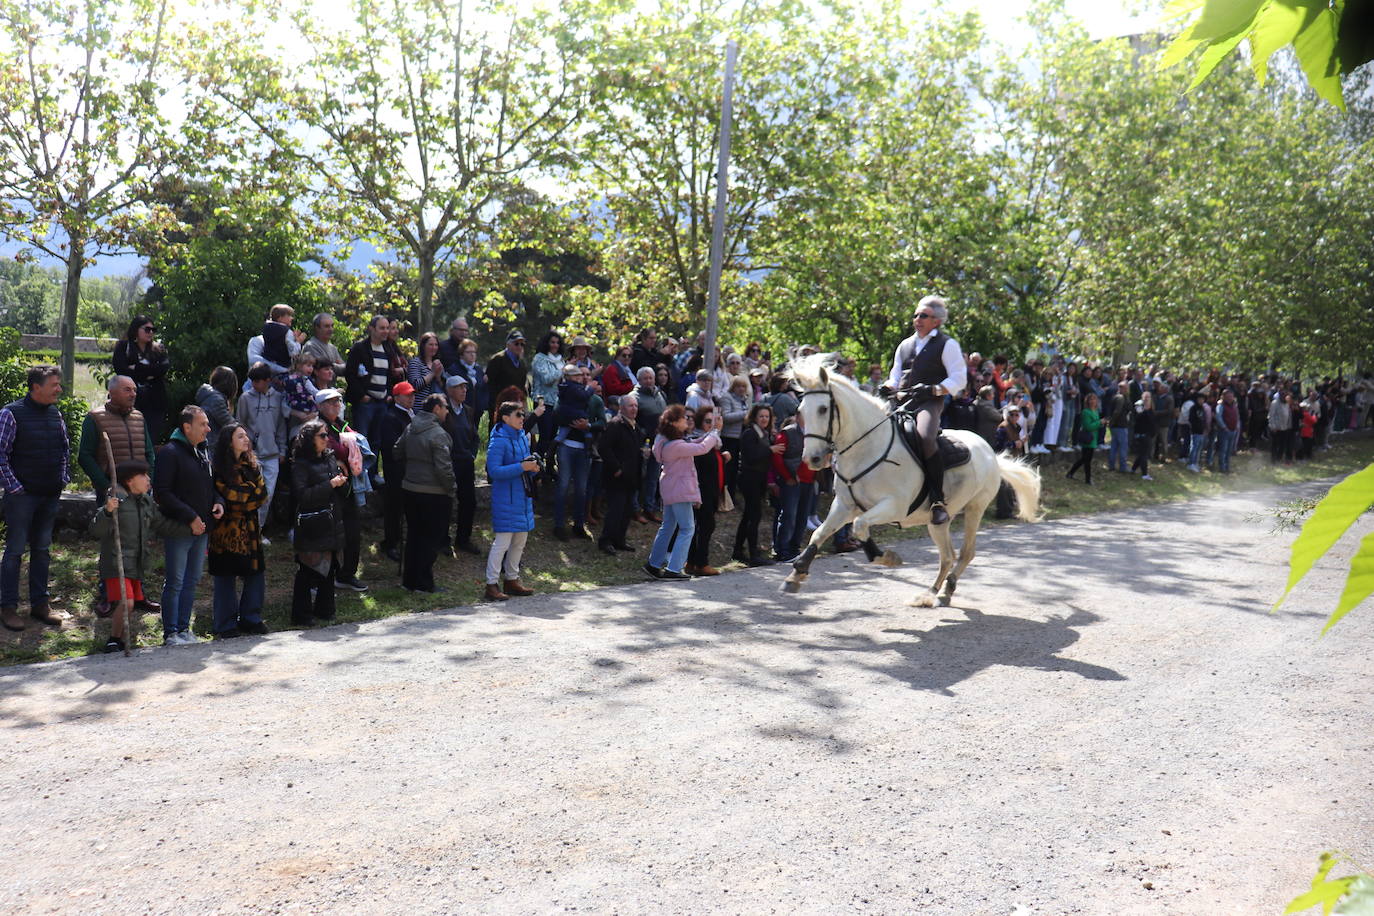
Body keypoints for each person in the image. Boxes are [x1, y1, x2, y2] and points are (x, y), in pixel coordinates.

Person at [879, 295, 967, 525]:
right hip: (901, 401)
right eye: (916, 315)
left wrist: (935, 390)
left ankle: (937, 501)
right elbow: (895, 375)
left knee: (926, 437)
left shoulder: (947, 344)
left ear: (936, 321)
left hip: (929, 402)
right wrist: (888, 387)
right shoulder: (905, 344)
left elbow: (959, 379)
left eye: (923, 316)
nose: (917, 319)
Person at [0, 366, 70, 632]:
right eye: (54, 384)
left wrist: (61, 479)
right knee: (15, 552)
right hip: (22, 498)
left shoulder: (55, 414)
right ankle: (8, 608)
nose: (59, 389)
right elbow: (0, 455)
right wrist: (16, 488)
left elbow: (64, 449)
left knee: (42, 551)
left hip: (49, 495)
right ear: (35, 387)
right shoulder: (11, 414)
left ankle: (40, 605)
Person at [92, 460, 186, 652]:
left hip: (136, 563)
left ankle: (116, 639)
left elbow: (161, 524)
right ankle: (113, 640)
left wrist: (190, 529)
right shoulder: (115, 500)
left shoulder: (146, 502)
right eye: (143, 475)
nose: (148, 479)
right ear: (129, 481)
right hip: (115, 562)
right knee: (126, 602)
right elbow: (95, 529)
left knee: (129, 604)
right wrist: (108, 512)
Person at [154, 405, 224, 645]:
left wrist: (218, 502)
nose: (209, 428)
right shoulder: (170, 453)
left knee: (192, 580)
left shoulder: (203, 451)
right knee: (175, 581)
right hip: (180, 529)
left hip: (202, 529)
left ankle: (184, 629)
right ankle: (171, 632)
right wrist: (191, 517)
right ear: (187, 427)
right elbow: (162, 493)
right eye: (203, 424)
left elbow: (212, 486)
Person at [644, 404, 721, 580]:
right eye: (682, 418)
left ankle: (653, 565)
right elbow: (700, 449)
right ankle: (674, 568)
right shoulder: (675, 445)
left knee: (668, 526)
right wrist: (715, 432)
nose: (686, 420)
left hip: (671, 489)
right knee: (687, 528)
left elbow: (695, 443)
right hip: (680, 490)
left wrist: (710, 434)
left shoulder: (666, 441)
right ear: (674, 423)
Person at [208, 421, 269, 639]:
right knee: (226, 576)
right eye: (240, 436)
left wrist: (247, 493)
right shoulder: (218, 469)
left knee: (256, 574)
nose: (246, 439)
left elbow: (261, 495)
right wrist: (248, 493)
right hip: (227, 532)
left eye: (246, 435)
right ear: (229, 442)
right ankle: (225, 623)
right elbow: (232, 497)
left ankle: (250, 618)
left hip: (251, 531)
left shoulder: (252, 465)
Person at [289, 419, 347, 625]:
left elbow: (335, 488)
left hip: (331, 520)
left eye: (327, 435)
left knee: (329, 567)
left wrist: (341, 481)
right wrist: (330, 484)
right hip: (312, 524)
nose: (326, 439)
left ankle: (325, 610)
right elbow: (302, 496)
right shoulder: (300, 464)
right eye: (322, 435)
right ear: (309, 440)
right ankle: (301, 615)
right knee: (307, 569)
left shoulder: (330, 458)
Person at [484, 401, 541, 601]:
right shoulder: (498, 440)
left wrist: (533, 469)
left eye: (523, 414)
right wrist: (521, 467)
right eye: (518, 414)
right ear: (505, 417)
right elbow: (493, 471)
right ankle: (491, 584)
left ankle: (512, 580)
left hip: (521, 497)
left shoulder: (521, 437)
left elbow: (523, 465)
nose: (522, 418)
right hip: (506, 499)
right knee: (502, 543)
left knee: (519, 542)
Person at [397, 393, 454, 593]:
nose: (447, 410)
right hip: (434, 493)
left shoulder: (411, 427)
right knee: (430, 539)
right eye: (445, 406)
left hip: (410, 489)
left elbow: (397, 451)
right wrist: (451, 489)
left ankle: (409, 582)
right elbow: (444, 469)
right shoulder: (438, 433)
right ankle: (424, 583)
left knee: (414, 536)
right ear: (436, 408)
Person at [315, 389, 368, 591]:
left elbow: (357, 445)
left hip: (347, 486)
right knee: (331, 534)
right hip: (329, 488)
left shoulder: (340, 425)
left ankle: (346, 575)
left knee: (353, 532)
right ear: (320, 406)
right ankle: (323, 578)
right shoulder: (317, 427)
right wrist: (343, 455)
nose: (336, 405)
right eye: (331, 402)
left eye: (338, 402)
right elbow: (335, 450)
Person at [78, 374, 156, 507]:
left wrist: (148, 481)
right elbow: (85, 457)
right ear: (112, 392)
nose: (133, 394)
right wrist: (107, 486)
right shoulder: (95, 418)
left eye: (134, 390)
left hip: (141, 489)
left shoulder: (139, 417)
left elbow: (149, 453)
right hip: (112, 491)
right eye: (127, 390)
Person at [236, 362, 291, 534]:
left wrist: (282, 450)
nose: (254, 384)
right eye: (252, 381)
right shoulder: (245, 398)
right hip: (252, 454)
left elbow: (281, 425)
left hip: (273, 454)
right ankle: (247, 531)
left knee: (267, 495)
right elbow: (240, 424)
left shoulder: (278, 397)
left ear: (267, 380)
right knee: (251, 493)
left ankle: (257, 532)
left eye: (257, 381)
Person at [732, 404, 781, 567]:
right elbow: (751, 456)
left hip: (759, 479)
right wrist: (770, 449)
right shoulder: (749, 433)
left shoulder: (765, 434)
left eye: (767, 416)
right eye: (761, 416)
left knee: (748, 516)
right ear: (754, 417)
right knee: (754, 516)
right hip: (749, 478)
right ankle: (754, 555)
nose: (764, 419)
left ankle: (738, 551)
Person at [553, 364, 595, 540]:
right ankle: (559, 526)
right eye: (579, 374)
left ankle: (579, 524)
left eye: (584, 375)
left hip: (582, 447)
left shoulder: (591, 397)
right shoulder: (571, 392)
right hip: (567, 445)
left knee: (581, 489)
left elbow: (601, 421)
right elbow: (558, 414)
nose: (582, 378)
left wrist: (589, 425)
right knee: (562, 486)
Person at [374, 381, 415, 562]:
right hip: (396, 470)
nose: (411, 398)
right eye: (407, 395)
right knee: (394, 508)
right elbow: (392, 447)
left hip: (410, 469)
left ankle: (401, 540)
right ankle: (390, 543)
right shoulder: (391, 417)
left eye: (412, 394)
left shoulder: (411, 414)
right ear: (397, 397)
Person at [686, 404, 729, 576]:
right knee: (704, 527)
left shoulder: (713, 443)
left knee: (703, 527)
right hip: (701, 492)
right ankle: (700, 563)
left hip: (712, 492)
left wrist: (723, 457)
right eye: (707, 421)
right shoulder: (699, 441)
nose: (711, 425)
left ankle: (693, 562)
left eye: (715, 421)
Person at [113, 315, 170, 444]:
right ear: (135, 330)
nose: (150, 333)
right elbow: (121, 370)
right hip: (131, 402)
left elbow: (163, 369)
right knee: (130, 440)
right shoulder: (123, 347)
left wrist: (137, 368)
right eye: (147, 329)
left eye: (153, 330)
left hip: (155, 404)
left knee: (150, 440)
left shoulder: (159, 349)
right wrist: (150, 372)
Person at [598, 394, 642, 555]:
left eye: (635, 406)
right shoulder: (615, 425)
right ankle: (606, 540)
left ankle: (619, 539)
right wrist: (617, 468)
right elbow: (604, 448)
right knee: (615, 510)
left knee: (627, 510)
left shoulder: (635, 426)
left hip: (631, 477)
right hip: (616, 477)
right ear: (621, 407)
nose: (634, 409)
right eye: (630, 406)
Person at [343, 315, 393, 446]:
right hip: (365, 404)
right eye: (382, 328)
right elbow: (350, 374)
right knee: (362, 441)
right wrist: (361, 396)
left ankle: (373, 468)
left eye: (387, 328)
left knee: (376, 442)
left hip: (382, 403)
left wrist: (388, 395)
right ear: (372, 329)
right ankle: (360, 467)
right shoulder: (360, 348)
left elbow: (389, 375)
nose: (386, 331)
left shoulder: (388, 349)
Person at [443, 375, 480, 555]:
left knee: (469, 502)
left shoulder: (467, 410)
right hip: (448, 463)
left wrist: (472, 454)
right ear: (450, 390)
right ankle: (442, 541)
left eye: (465, 387)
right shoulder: (443, 410)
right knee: (446, 502)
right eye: (459, 387)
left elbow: (475, 437)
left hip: (466, 462)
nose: (464, 390)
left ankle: (463, 539)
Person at [631, 366, 666, 523]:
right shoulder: (634, 397)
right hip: (641, 442)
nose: (648, 380)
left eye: (650, 377)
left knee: (653, 476)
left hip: (658, 441)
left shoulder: (660, 394)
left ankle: (649, 508)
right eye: (645, 378)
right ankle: (635, 509)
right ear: (639, 380)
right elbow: (631, 420)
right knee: (639, 476)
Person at [530, 330, 566, 463]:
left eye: (557, 342)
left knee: (553, 438)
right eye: (552, 342)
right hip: (543, 402)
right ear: (547, 343)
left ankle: (549, 467)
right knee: (544, 437)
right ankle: (535, 468)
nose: (555, 345)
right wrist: (563, 370)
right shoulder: (539, 359)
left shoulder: (561, 360)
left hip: (557, 404)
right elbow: (547, 379)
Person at [485, 330, 529, 421]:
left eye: (522, 344)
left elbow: (522, 385)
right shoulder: (497, 359)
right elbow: (490, 384)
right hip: (499, 405)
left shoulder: (522, 362)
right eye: (516, 344)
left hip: (517, 405)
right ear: (508, 345)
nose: (519, 347)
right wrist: (494, 406)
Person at [719, 375, 750, 499]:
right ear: (733, 387)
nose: (741, 389)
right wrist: (745, 414)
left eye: (743, 386)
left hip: (740, 437)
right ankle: (724, 495)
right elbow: (725, 417)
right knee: (728, 468)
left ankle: (731, 495)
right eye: (738, 386)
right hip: (729, 437)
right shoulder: (726, 398)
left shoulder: (744, 399)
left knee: (735, 468)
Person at [195, 366, 238, 453]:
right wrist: (243, 430)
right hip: (211, 445)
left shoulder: (211, 396)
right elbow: (229, 423)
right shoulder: (216, 399)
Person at [448, 338, 487, 430]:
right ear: (461, 354)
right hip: (460, 411)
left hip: (477, 412)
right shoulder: (454, 369)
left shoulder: (479, 370)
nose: (472, 354)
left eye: (474, 352)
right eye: (468, 352)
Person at [1065, 393, 1102, 485]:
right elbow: (1088, 426)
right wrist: (1099, 422)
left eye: (1094, 399)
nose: (1093, 401)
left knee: (1084, 459)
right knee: (1087, 460)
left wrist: (1101, 423)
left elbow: (1096, 424)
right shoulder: (1085, 412)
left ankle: (1071, 473)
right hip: (1087, 438)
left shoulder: (1096, 411)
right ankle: (1088, 479)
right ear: (1087, 401)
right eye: (1091, 399)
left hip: (1094, 438)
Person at [407, 332, 446, 399]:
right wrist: (432, 373)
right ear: (423, 346)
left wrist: (438, 378)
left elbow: (444, 388)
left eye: (436, 345)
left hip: (435, 407)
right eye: (430, 345)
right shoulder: (415, 362)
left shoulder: (438, 364)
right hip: (420, 406)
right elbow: (415, 386)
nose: (434, 347)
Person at [1131, 391, 1157, 481]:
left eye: (1148, 397)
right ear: (1142, 398)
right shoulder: (1139, 406)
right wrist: (1144, 409)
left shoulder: (1151, 408)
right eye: (1145, 397)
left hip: (1149, 434)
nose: (1147, 399)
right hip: (1141, 434)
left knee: (1142, 454)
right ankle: (1144, 474)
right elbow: (1138, 418)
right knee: (1144, 455)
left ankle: (1133, 469)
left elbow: (1152, 420)